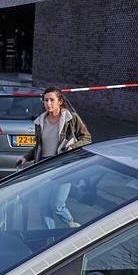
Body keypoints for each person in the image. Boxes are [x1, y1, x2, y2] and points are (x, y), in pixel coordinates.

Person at [18, 88, 93, 228]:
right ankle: (49, 238)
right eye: (45, 100)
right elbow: (39, 147)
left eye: (52, 100)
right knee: (44, 208)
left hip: (63, 165)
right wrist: (25, 157)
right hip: (44, 166)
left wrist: (72, 147)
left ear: (60, 101)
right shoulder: (40, 122)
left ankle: (73, 226)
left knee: (57, 205)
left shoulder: (71, 118)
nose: (48, 103)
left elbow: (87, 138)